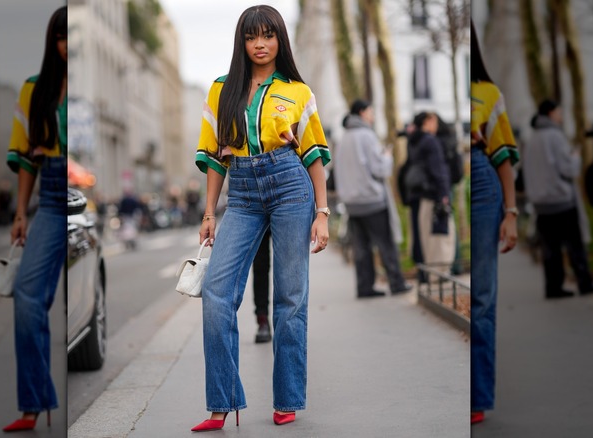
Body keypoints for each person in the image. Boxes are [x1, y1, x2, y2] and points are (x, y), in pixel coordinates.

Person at [192, 5, 330, 431]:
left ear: (279, 40)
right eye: (253, 36)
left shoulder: (297, 92)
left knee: (290, 297)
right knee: (215, 295)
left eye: (269, 35)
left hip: (291, 185)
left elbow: (314, 156)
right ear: (243, 42)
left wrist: (322, 213)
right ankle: (222, 403)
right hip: (244, 193)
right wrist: (210, 211)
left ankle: (287, 398)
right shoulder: (220, 89)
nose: (261, 44)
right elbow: (216, 157)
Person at [2, 6, 67, 432]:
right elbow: (26, 158)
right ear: (53, 41)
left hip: (83, 192)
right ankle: (34, 403)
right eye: (64, 38)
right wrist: (21, 212)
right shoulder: (33, 89)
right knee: (26, 296)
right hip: (51, 194)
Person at [469, 22, 519, 425]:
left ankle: (476, 397)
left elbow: (502, 156)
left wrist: (512, 213)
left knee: (482, 297)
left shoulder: (488, 94)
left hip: (483, 184)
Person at [334, 99, 412, 298]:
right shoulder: (367, 136)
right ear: (362, 113)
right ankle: (397, 283)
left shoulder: (343, 139)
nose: (373, 115)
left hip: (352, 202)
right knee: (386, 243)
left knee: (361, 247)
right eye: (371, 111)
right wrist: (387, 156)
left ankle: (364, 287)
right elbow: (380, 169)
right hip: (371, 200)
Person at [523, 100, 593, 298]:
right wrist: (576, 157)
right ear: (550, 112)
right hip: (561, 200)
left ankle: (553, 287)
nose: (561, 114)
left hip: (541, 203)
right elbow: (569, 169)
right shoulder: (556, 136)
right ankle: (585, 283)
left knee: (550, 249)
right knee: (575, 245)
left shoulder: (532, 140)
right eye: (559, 111)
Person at [405, 111, 455, 276]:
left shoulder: (414, 141)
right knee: (440, 239)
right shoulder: (430, 141)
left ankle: (428, 275)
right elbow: (438, 170)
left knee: (426, 239)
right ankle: (439, 277)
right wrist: (444, 195)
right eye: (433, 121)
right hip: (434, 195)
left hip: (420, 195)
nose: (437, 125)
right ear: (426, 123)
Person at [252, 231, 272, 343]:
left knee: (287, 270)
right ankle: (262, 319)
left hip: (288, 214)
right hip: (256, 214)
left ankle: (287, 324)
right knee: (260, 265)